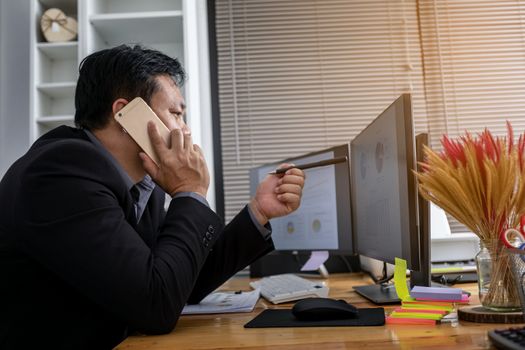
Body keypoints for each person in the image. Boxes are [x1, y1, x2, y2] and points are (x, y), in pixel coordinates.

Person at [0, 45, 305, 349]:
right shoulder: (62, 172)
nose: (185, 130)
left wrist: (258, 211)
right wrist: (189, 191)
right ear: (126, 114)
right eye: (175, 114)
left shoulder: (143, 186)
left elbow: (179, 283)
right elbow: (156, 305)